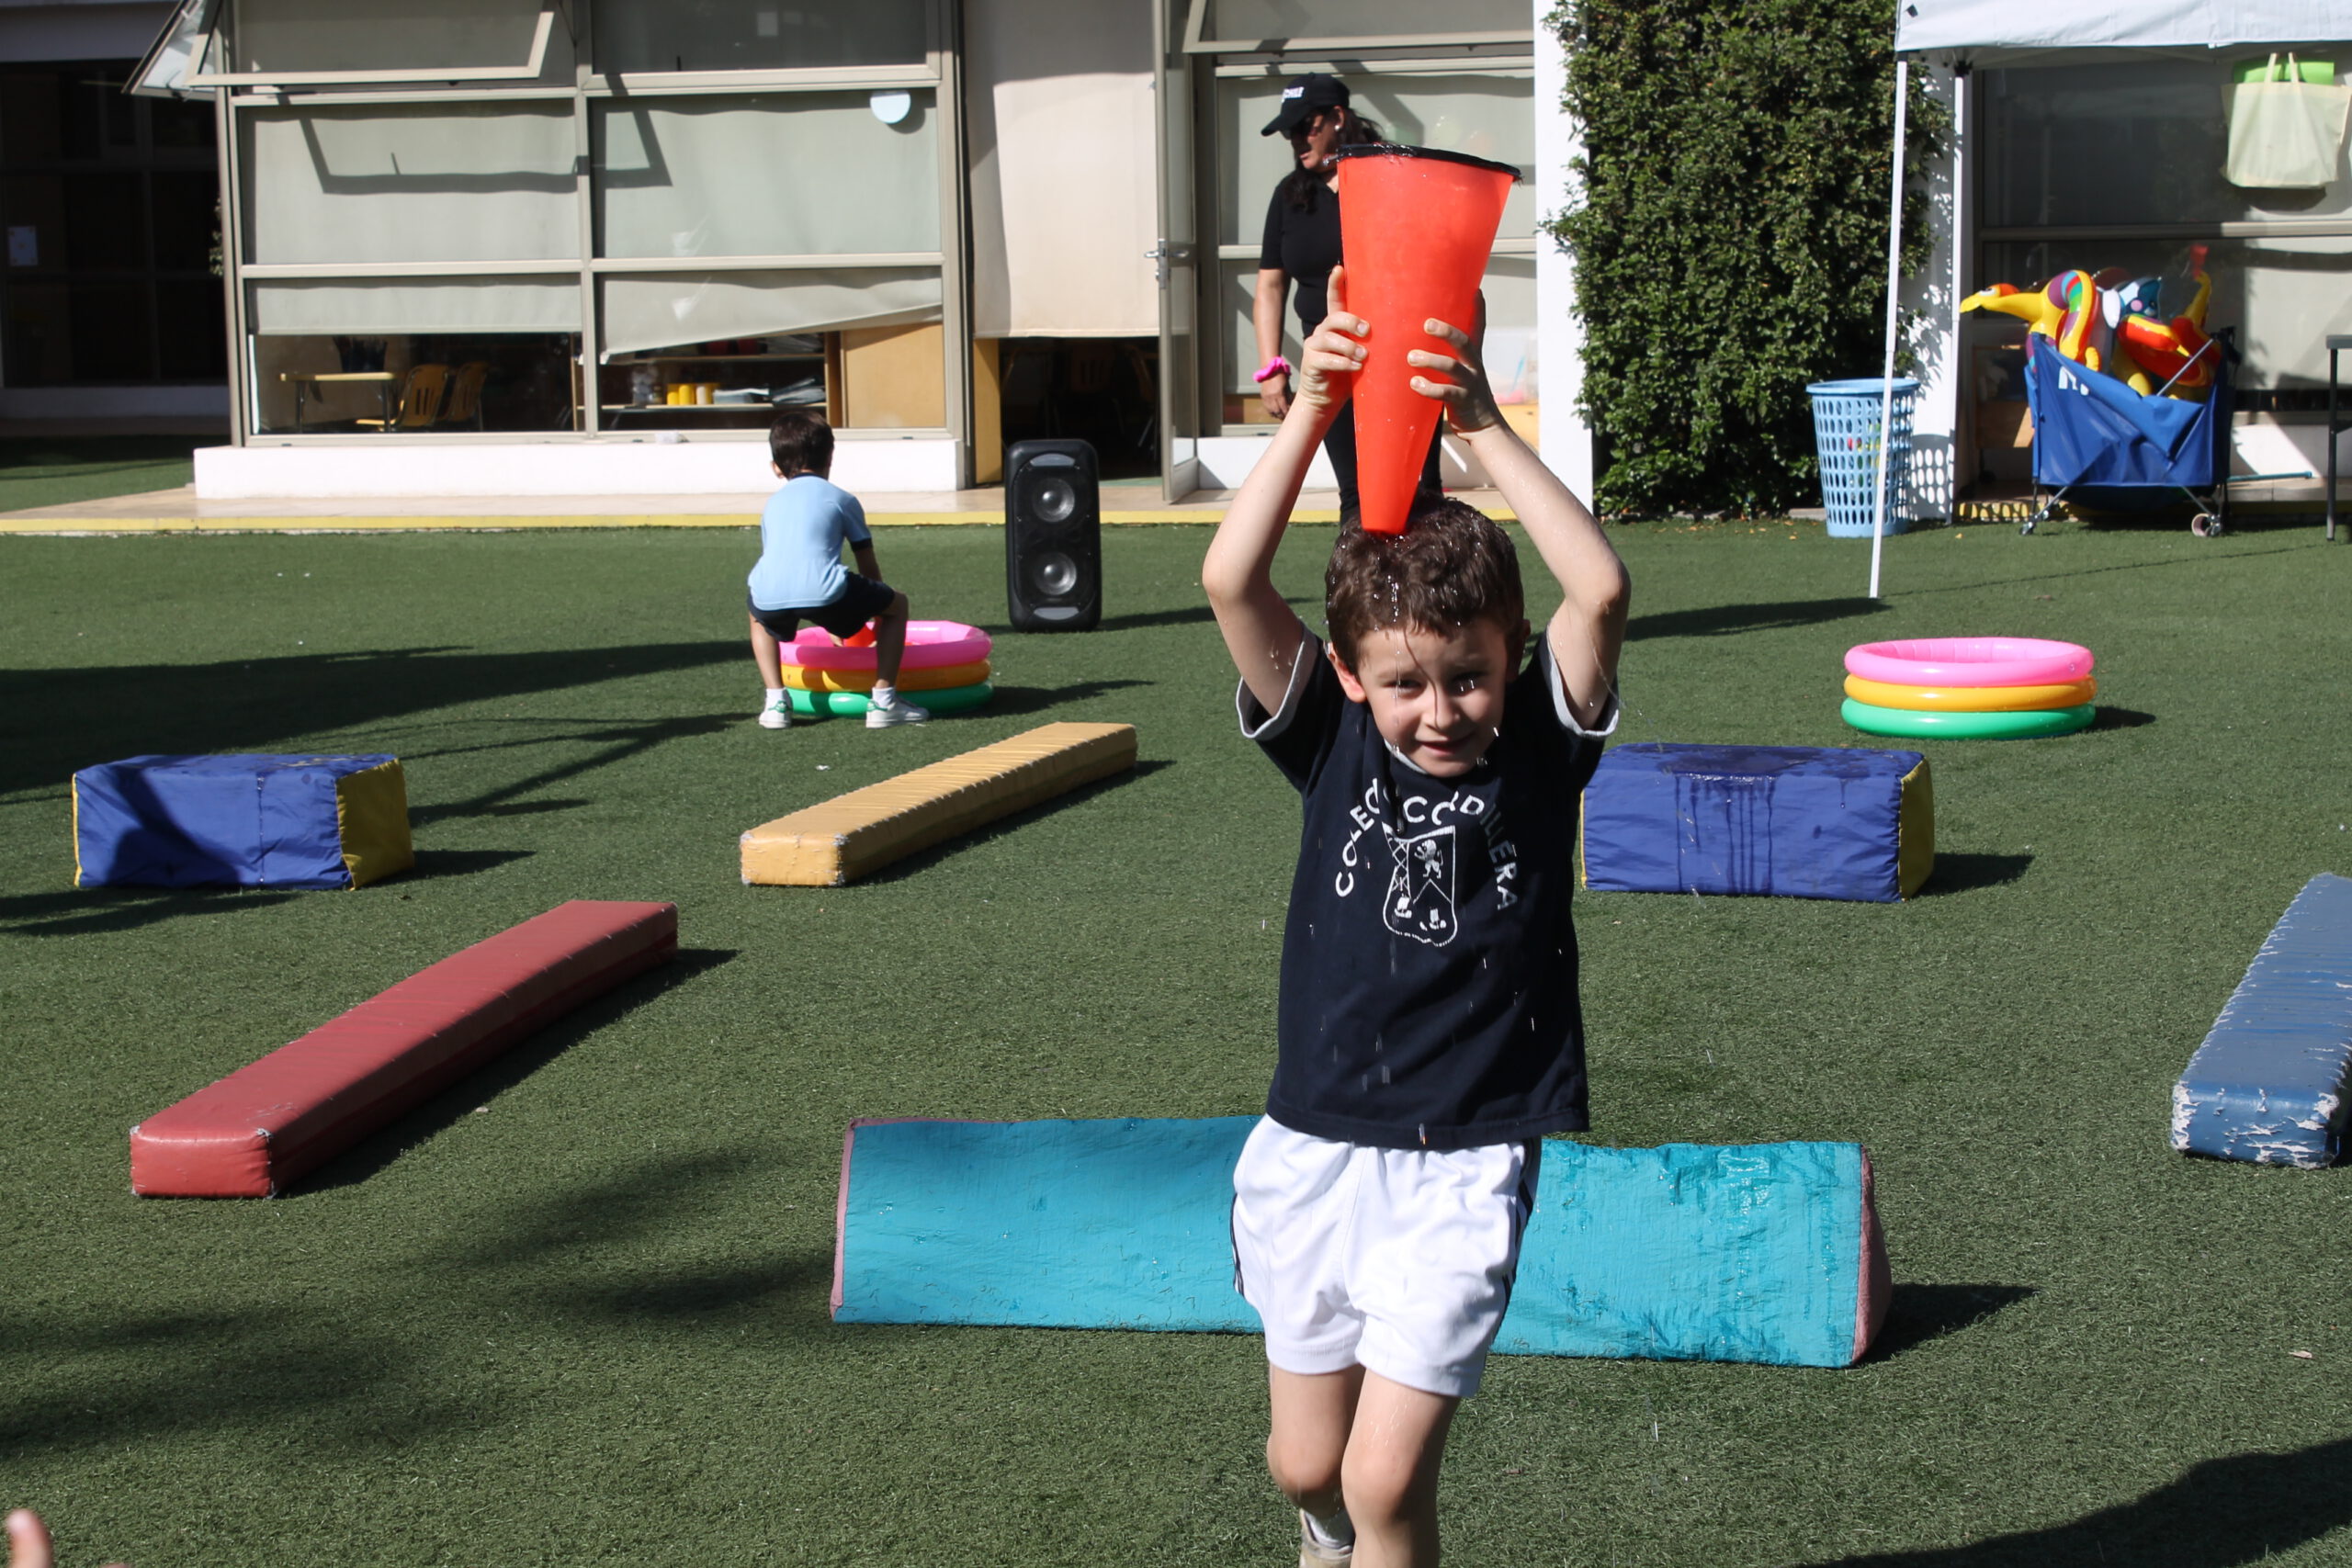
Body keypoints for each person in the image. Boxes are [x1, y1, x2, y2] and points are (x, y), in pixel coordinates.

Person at [1200, 265, 1629, 1568]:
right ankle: (1323, 1535)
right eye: (1405, 683)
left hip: (1464, 1152)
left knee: (1385, 1482)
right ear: (1346, 673)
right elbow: (1230, 576)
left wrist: (1482, 425)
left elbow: (1599, 590)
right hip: (1312, 1141)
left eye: (1470, 676)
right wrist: (1312, 404)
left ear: (1510, 655)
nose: (1440, 711)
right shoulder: (1331, 740)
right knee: (1307, 1467)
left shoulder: (1539, 748)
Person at [1254, 73, 1444, 526]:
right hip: (1331, 361)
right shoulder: (1290, 196)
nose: (1297, 140)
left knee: (1419, 491)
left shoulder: (1394, 175)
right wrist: (1271, 368)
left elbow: (1433, 262)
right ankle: (1360, 576)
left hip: (1401, 357)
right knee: (1355, 497)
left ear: (1337, 118)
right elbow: (1270, 285)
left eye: (1306, 127)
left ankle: (1434, 576)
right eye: (1289, 132)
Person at [745, 410, 929, 730]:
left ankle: (775, 702)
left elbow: (785, 566)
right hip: (826, 592)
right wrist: (876, 609)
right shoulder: (842, 499)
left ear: (775, 467)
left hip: (768, 592)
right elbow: (866, 561)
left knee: (757, 614)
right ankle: (884, 701)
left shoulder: (772, 504)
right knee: (897, 605)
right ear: (830, 456)